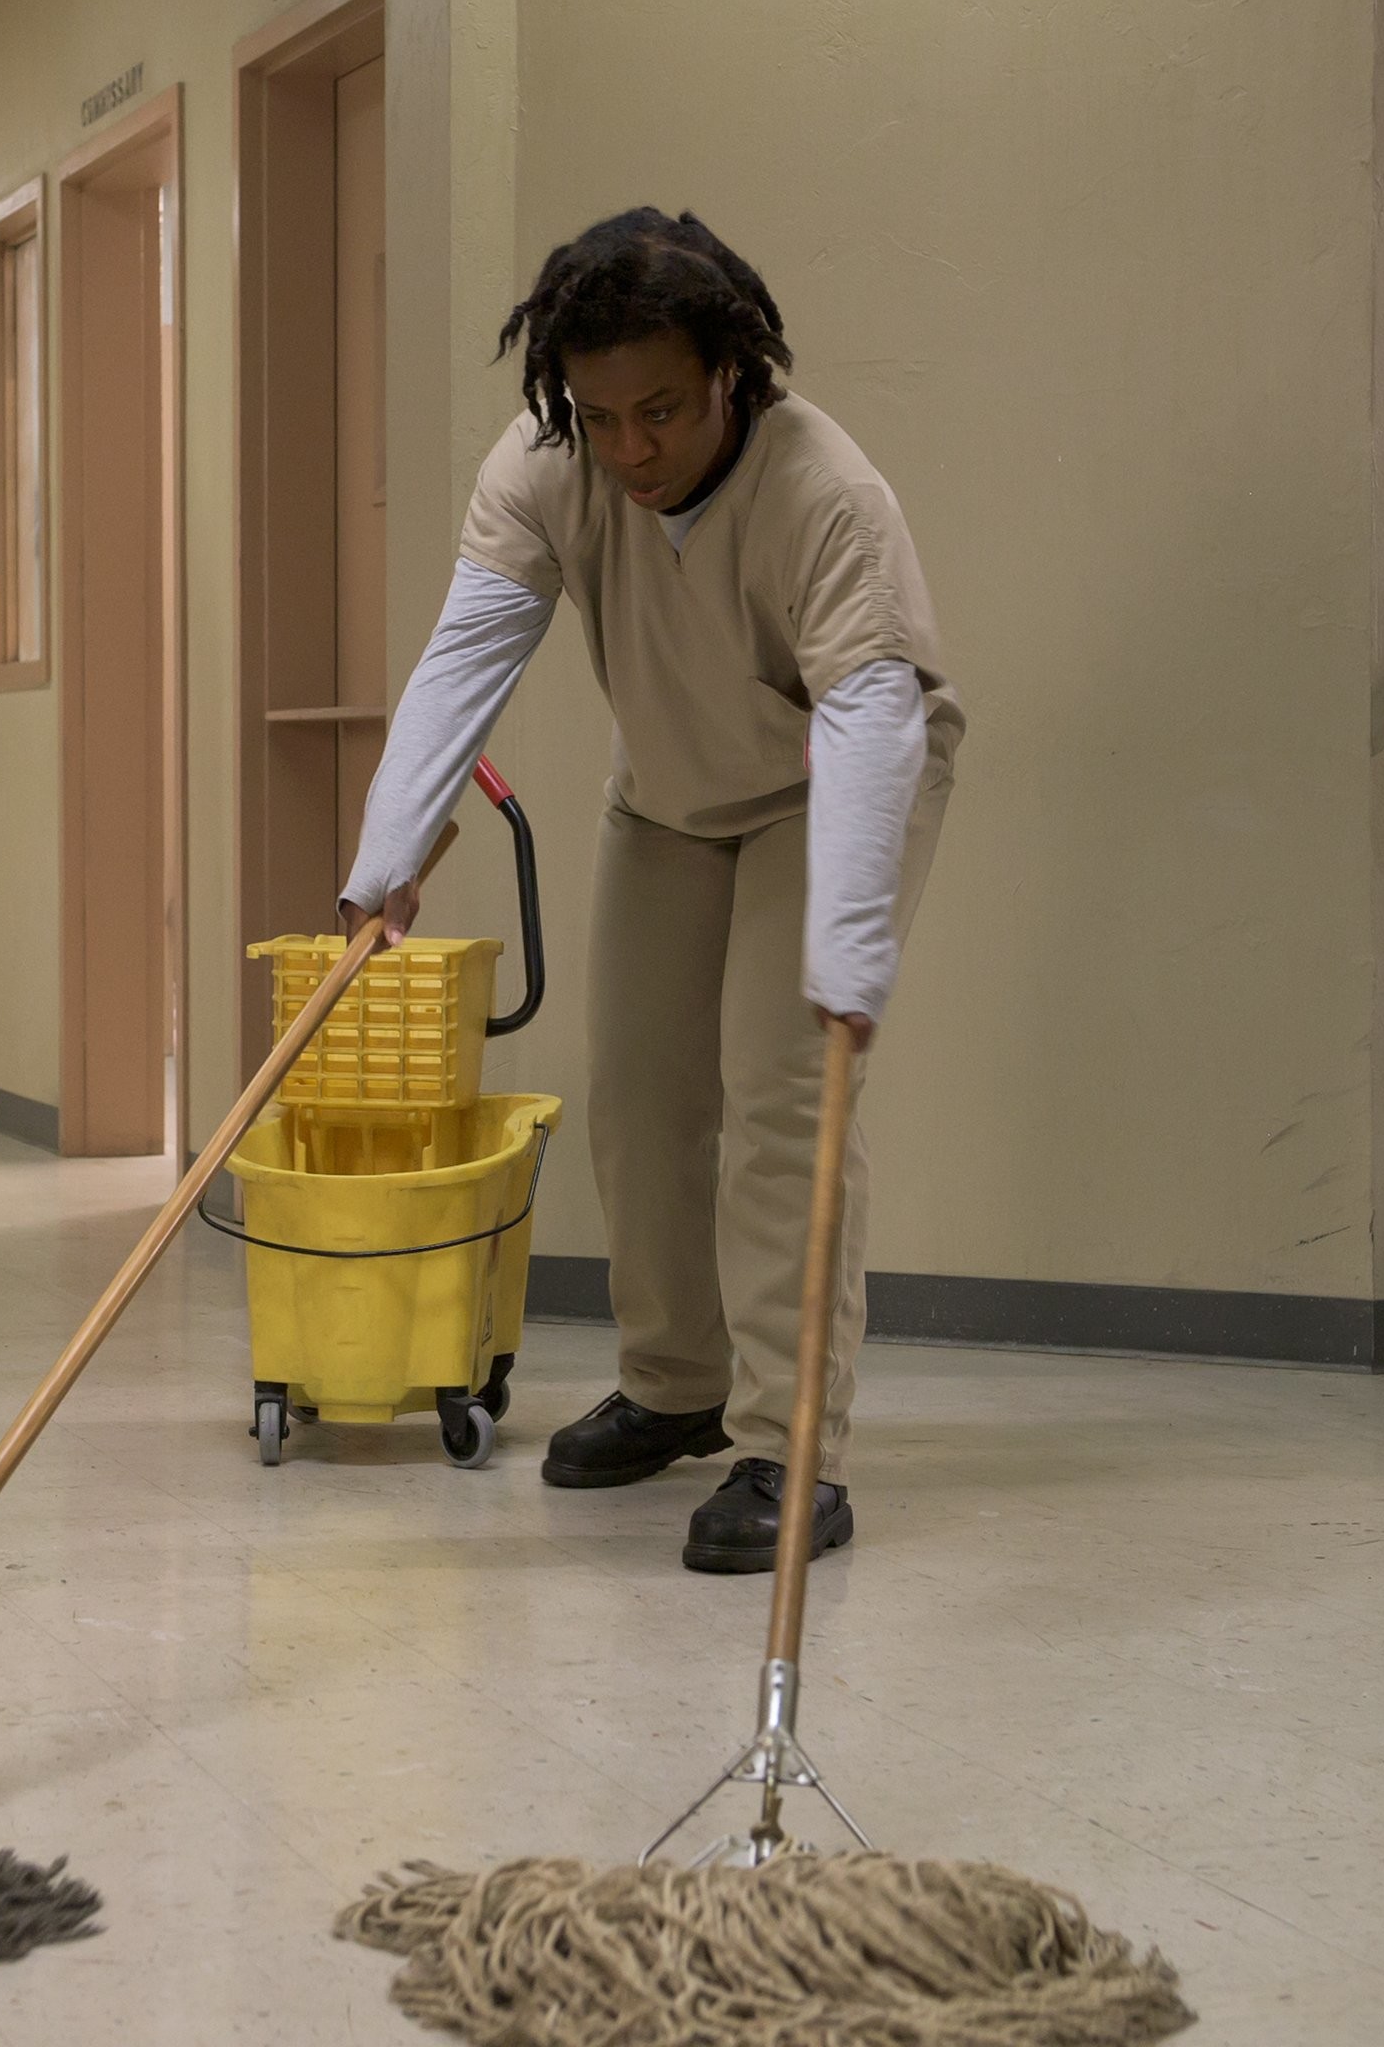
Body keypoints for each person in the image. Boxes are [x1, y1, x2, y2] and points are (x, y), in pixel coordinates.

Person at [340, 210, 959, 1574]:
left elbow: (865, 717)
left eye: (662, 411)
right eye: (600, 413)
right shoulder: (545, 463)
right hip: (674, 793)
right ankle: (677, 1387)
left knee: (782, 1102)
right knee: (635, 1092)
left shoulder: (825, 496)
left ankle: (790, 1447)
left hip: (833, 783)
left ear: (732, 372)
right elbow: (468, 656)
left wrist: (847, 955)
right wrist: (386, 860)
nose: (630, 449)